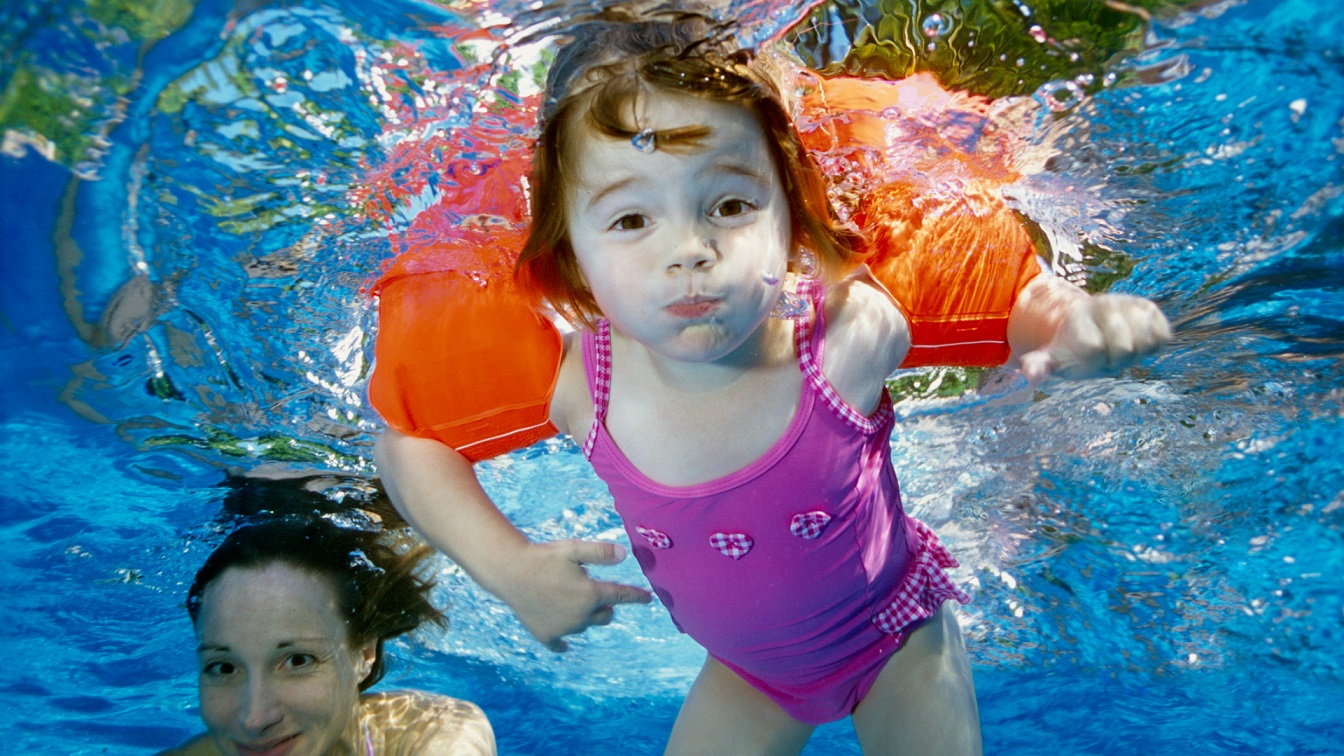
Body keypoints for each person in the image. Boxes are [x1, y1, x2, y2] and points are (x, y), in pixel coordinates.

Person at [373, 7, 1170, 754]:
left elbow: (1023, 301)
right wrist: (509, 569)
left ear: (790, 212)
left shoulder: (851, 336)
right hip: (749, 678)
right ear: (571, 254)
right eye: (629, 220)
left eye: (727, 204)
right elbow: (408, 448)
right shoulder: (581, 384)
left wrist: (1084, 325)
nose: (687, 249)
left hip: (895, 638)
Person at [163, 516, 496, 755]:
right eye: (223, 667)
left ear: (364, 654)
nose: (254, 718)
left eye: (297, 660)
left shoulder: (429, 732)